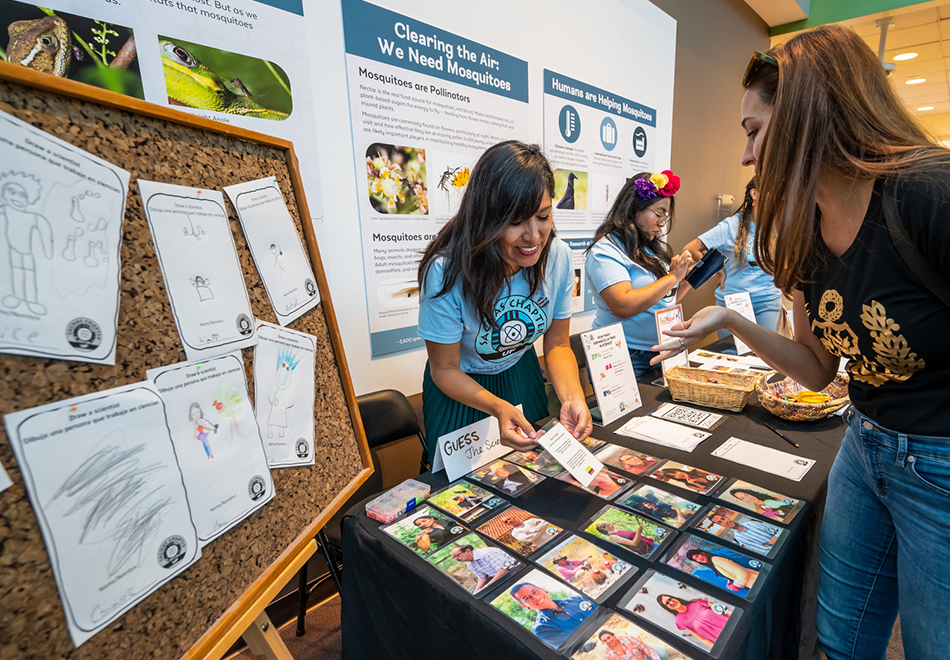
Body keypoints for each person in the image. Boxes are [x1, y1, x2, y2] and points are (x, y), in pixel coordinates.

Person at [651, 26, 950, 659]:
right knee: (837, 640)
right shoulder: (805, 230)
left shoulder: (929, 193)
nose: (746, 155)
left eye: (755, 131)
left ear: (808, 114)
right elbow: (817, 369)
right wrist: (730, 323)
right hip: (863, 445)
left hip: (940, 458)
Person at [418, 141, 592, 462]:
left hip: (521, 375)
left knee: (534, 474)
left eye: (543, 216)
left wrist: (572, 397)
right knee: (465, 498)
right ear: (487, 218)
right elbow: (444, 368)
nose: (533, 236)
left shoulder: (558, 258)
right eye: (516, 222)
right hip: (461, 390)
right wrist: (497, 406)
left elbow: (557, 345)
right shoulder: (446, 271)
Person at [584, 171, 693, 374]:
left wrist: (687, 279)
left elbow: (665, 300)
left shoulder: (650, 248)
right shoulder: (606, 250)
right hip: (623, 355)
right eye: (659, 214)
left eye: (665, 217)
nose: (662, 224)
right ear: (635, 208)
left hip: (659, 351)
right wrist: (672, 277)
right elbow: (623, 305)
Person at [684, 178, 783, 336]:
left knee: (764, 359)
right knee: (732, 357)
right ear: (754, 193)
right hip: (733, 305)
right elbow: (691, 248)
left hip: (768, 302)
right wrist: (718, 269)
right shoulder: (730, 226)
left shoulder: (779, 226)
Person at [510, 581, 593, 646]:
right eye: (527, 598)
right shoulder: (542, 631)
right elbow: (582, 645)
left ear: (543, 590)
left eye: (534, 592)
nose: (536, 597)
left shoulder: (577, 599)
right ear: (525, 606)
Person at [657, 595, 728, 648]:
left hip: (733, 626)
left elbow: (724, 611)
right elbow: (703, 639)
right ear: (667, 608)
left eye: (670, 599)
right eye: (667, 603)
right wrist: (719, 649)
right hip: (724, 642)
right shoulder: (679, 622)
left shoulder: (697, 602)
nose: (671, 602)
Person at [705, 510, 778, 556]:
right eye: (720, 522)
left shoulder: (752, 523)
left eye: (723, 519)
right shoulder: (740, 538)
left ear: (727, 517)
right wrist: (771, 542)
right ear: (721, 526)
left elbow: (777, 531)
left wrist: (770, 542)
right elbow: (765, 550)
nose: (725, 522)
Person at [684, 549, 759, 592]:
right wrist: (730, 583)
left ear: (702, 553)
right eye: (696, 559)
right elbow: (730, 573)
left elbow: (742, 572)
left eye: (697, 556)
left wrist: (736, 585)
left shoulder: (716, 559)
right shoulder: (713, 563)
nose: (699, 559)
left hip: (755, 581)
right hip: (753, 585)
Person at [728, 487, 794, 520]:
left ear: (750, 493)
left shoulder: (772, 497)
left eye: (746, 495)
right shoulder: (759, 509)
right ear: (745, 501)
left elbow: (794, 500)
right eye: (743, 498)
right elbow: (778, 519)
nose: (748, 498)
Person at [597, 629, 662, 660]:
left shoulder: (628, 638)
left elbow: (646, 648)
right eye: (605, 640)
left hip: (643, 657)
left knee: (663, 655)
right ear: (603, 643)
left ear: (613, 635)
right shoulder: (606, 655)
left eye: (609, 637)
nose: (608, 641)